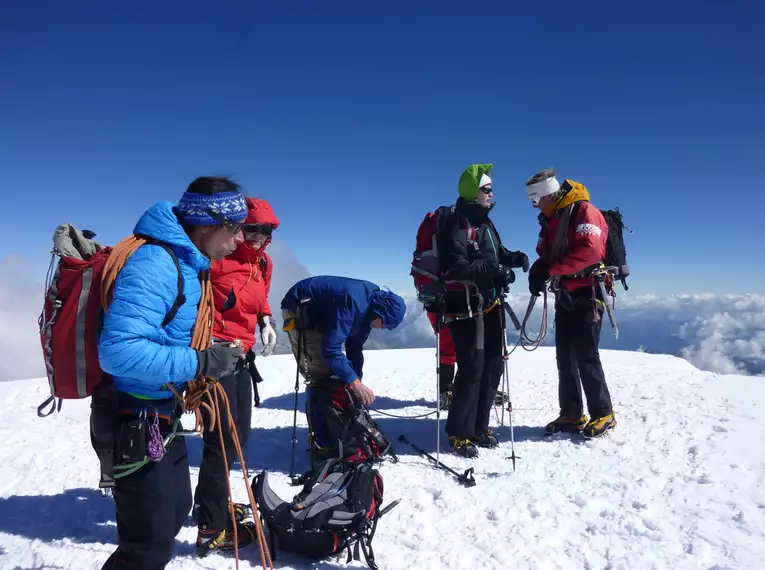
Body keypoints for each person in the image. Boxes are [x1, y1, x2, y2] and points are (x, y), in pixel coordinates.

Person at [97, 177, 249, 569]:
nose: (240, 238)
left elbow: (168, 330)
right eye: (233, 227)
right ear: (204, 225)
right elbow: (118, 351)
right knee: (146, 546)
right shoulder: (157, 264)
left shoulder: (186, 262)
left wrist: (207, 355)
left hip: (163, 411)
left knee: (175, 510)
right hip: (137, 413)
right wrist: (201, 363)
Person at [192, 197, 280, 556]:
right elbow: (190, 298)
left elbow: (260, 299)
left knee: (235, 436)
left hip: (241, 355)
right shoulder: (216, 258)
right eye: (254, 228)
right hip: (214, 356)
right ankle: (212, 528)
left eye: (268, 230)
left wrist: (265, 321)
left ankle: (210, 505)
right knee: (225, 441)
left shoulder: (262, 262)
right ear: (238, 227)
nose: (260, 236)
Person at [438, 164, 528, 458]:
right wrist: (496, 269)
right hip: (463, 308)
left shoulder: (485, 224)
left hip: (488, 305)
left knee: (492, 366)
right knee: (472, 367)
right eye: (487, 189)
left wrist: (513, 259)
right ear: (473, 192)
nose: (492, 194)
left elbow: (495, 255)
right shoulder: (458, 222)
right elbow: (457, 266)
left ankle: (479, 425)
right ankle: (459, 433)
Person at [525, 169, 617, 439]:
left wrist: (551, 270)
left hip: (588, 294)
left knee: (586, 356)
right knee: (565, 357)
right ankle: (572, 414)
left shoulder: (584, 211)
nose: (535, 206)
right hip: (566, 294)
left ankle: (604, 414)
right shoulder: (551, 219)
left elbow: (589, 251)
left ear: (547, 195)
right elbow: (546, 255)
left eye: (536, 200)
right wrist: (538, 271)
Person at [280, 276, 407, 462]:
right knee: (320, 375)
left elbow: (354, 347)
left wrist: (356, 381)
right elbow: (331, 349)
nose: (383, 329)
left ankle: (338, 436)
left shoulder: (369, 309)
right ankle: (323, 444)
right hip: (300, 306)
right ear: (380, 312)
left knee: (340, 377)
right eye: (384, 323)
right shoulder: (354, 303)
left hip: (323, 311)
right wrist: (353, 383)